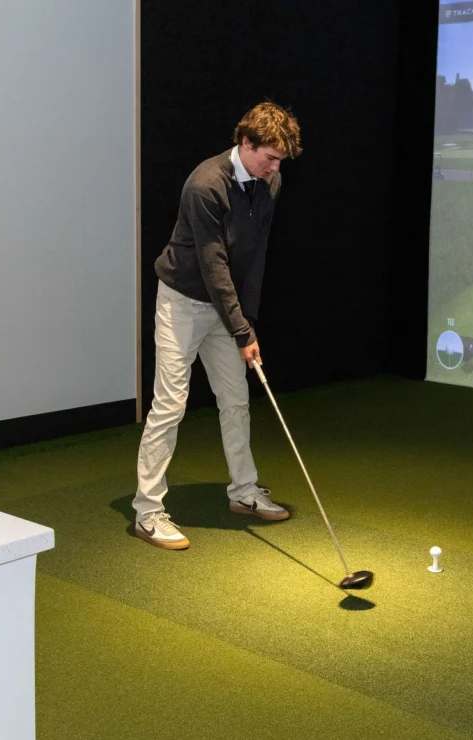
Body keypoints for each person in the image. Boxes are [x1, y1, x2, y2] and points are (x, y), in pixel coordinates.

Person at [133, 101, 302, 550]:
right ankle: (147, 511)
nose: (275, 167)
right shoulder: (205, 184)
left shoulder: (271, 181)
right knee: (170, 405)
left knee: (236, 399)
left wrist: (248, 322)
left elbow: (257, 254)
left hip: (226, 308)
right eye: (270, 157)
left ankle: (244, 491)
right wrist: (241, 331)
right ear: (245, 143)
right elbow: (214, 266)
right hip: (183, 302)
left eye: (280, 160)